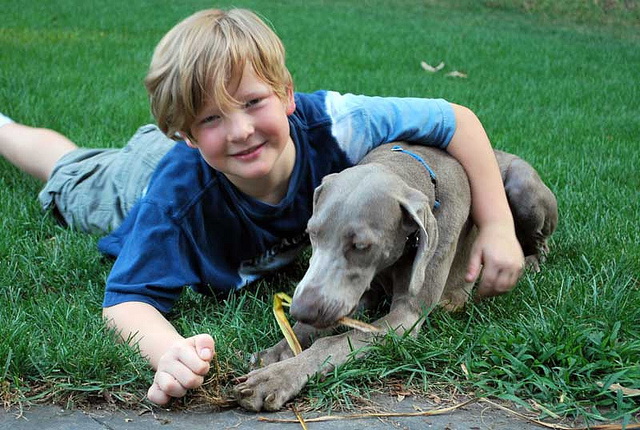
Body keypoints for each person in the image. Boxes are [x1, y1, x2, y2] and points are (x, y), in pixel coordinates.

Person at [0, 8, 524, 406]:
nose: (242, 130)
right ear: (187, 134)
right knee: (69, 171)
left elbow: (455, 118)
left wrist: (499, 223)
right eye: (211, 118)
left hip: (192, 155)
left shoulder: (339, 124)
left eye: (252, 103)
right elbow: (125, 300)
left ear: (288, 95)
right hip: (134, 180)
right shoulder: (177, 203)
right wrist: (167, 351)